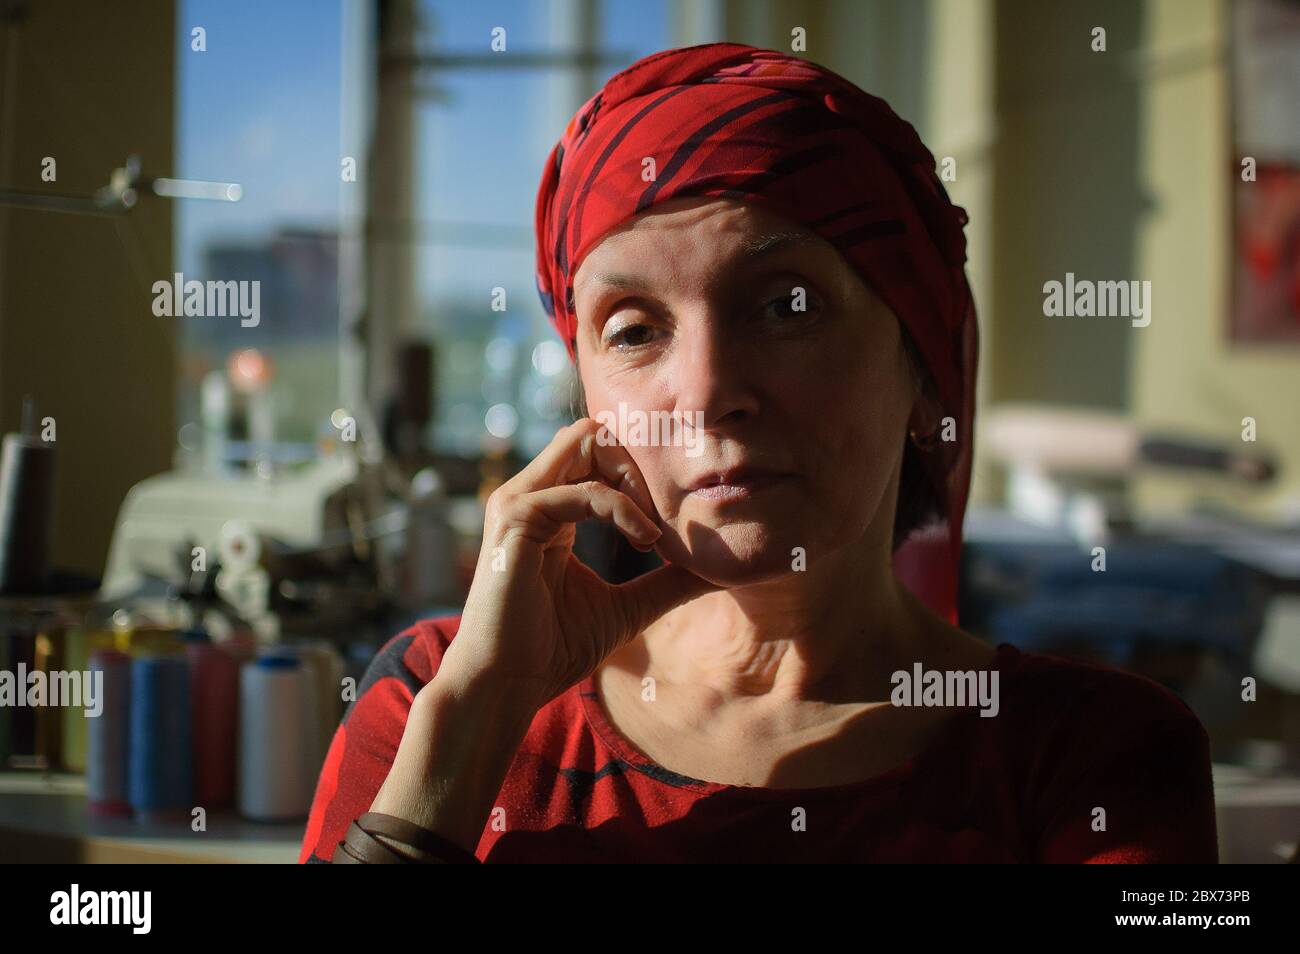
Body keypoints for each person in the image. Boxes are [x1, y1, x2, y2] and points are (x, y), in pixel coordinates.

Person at [301, 42, 1218, 864]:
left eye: (787, 307)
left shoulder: (1091, 757)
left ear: (924, 372)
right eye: (633, 330)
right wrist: (479, 719)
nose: (704, 394)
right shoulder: (434, 697)